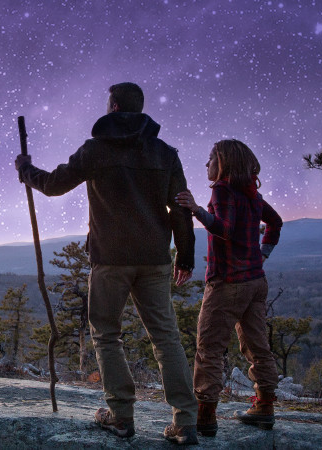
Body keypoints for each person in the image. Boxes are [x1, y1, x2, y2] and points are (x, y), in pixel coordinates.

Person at [15, 82, 201, 445]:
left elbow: (53, 185)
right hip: (154, 258)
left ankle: (120, 415)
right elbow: (180, 206)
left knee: (105, 333)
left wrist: (26, 170)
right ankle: (186, 422)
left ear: (113, 108)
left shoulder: (96, 150)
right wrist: (186, 255)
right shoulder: (165, 154)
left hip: (110, 258)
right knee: (166, 338)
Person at [174, 139, 283, 436]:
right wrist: (263, 255)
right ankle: (264, 406)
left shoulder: (222, 189)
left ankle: (205, 416)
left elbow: (225, 229)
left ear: (223, 162)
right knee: (258, 347)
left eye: (210, 158)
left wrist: (197, 209)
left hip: (228, 282)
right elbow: (275, 222)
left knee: (209, 348)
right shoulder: (252, 193)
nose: (206, 164)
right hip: (255, 282)